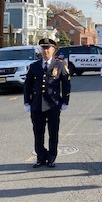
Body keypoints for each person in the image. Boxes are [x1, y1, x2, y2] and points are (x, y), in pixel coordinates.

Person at [23, 38, 71, 168]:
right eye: (43, 48)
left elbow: (66, 84)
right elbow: (27, 85)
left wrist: (65, 101)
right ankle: (40, 156)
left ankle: (51, 157)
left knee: (53, 132)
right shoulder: (34, 66)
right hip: (37, 105)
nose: (45, 51)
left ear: (53, 50)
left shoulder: (60, 65)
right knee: (38, 132)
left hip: (53, 105)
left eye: (48, 48)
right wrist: (27, 102)